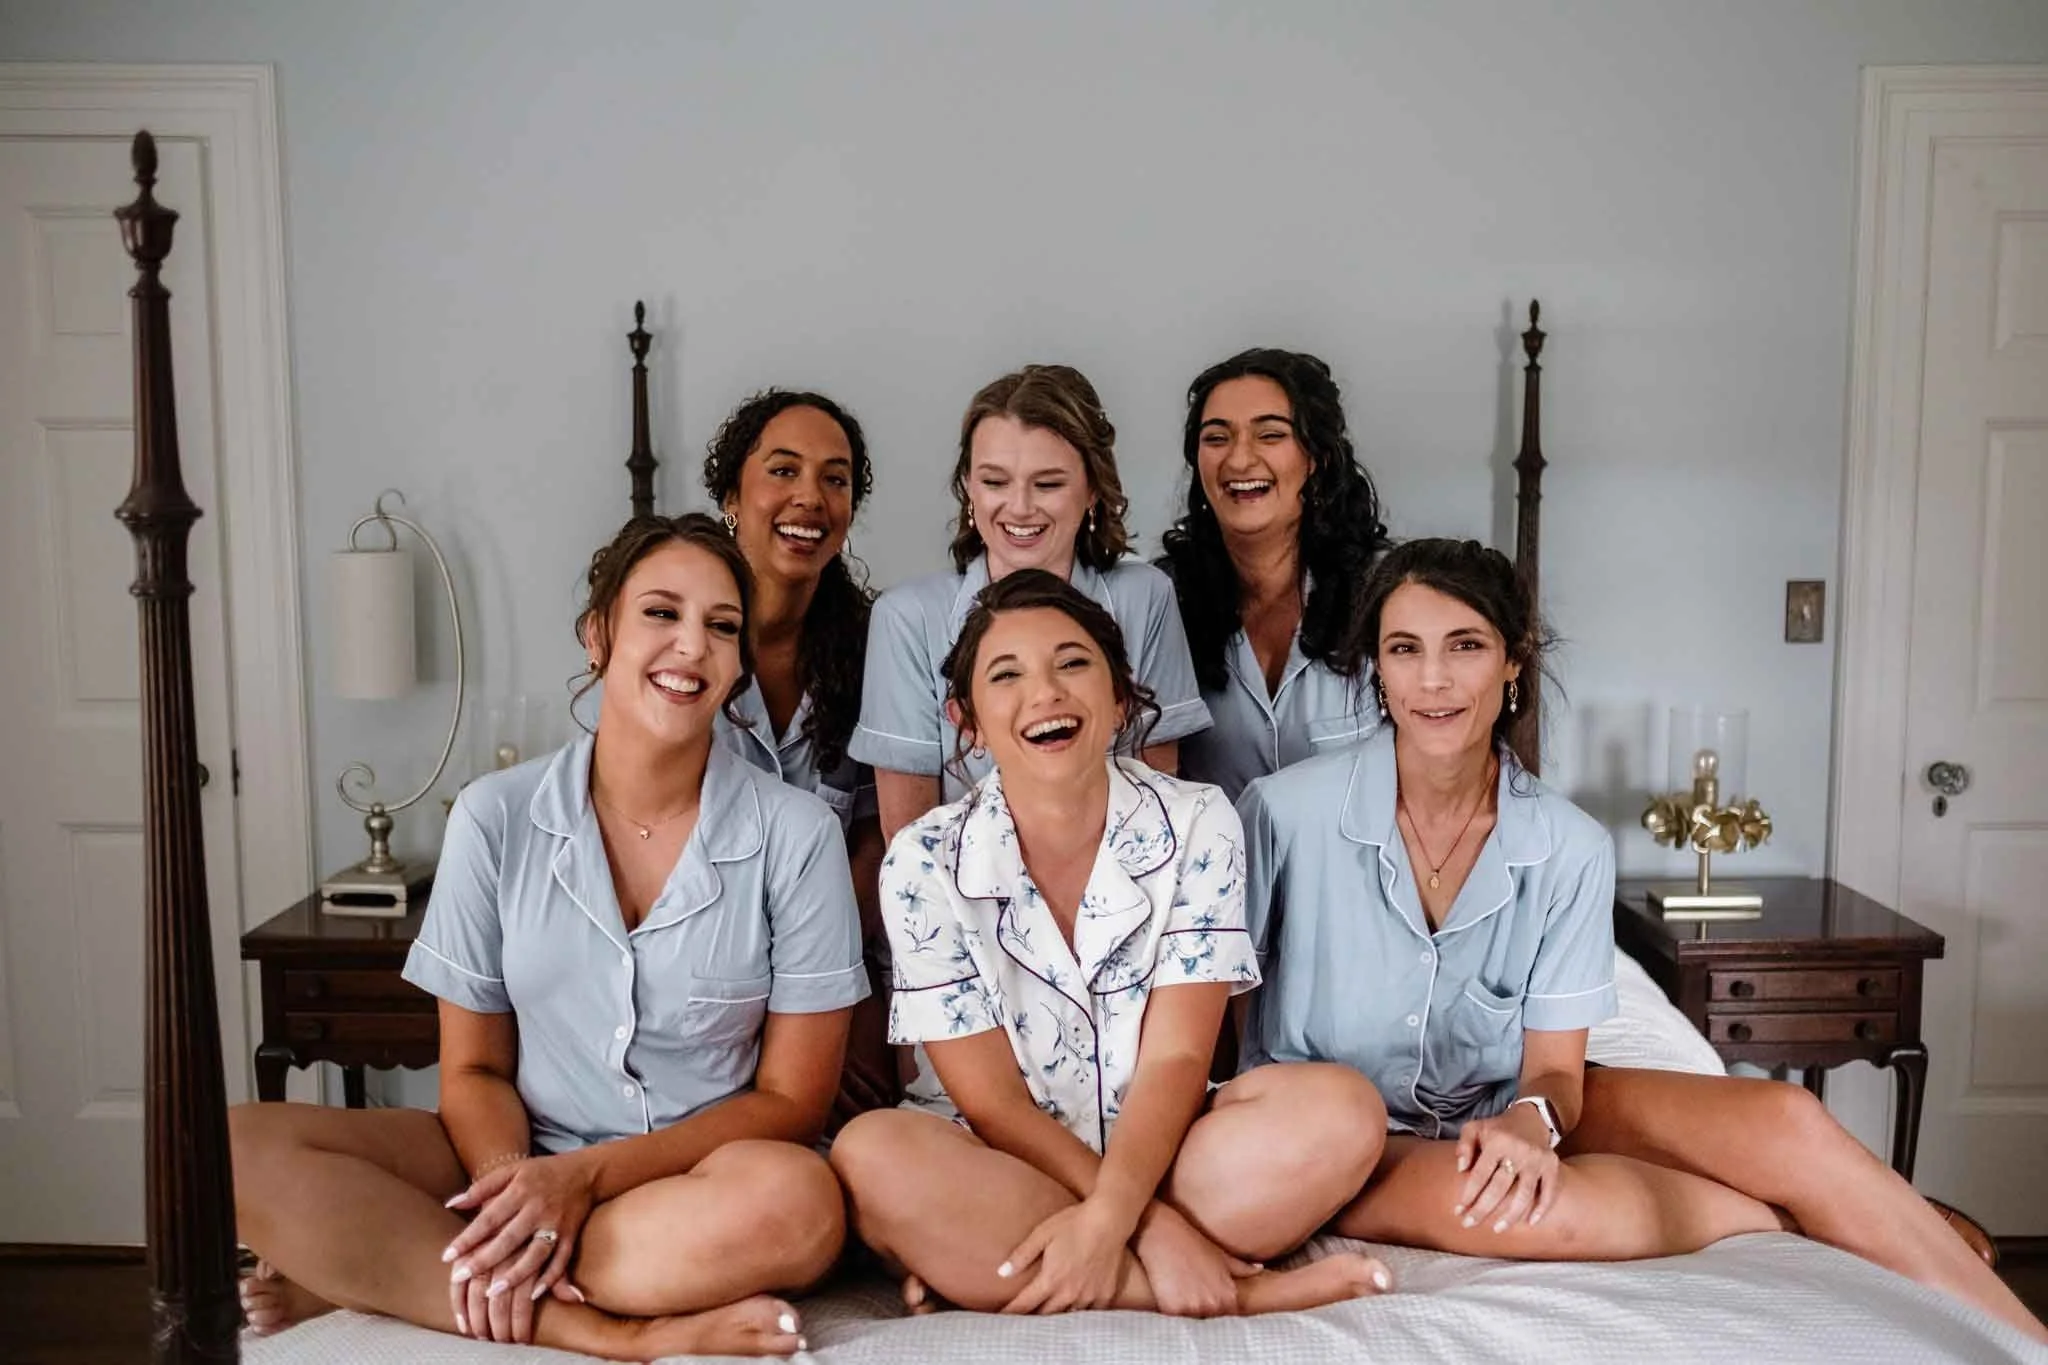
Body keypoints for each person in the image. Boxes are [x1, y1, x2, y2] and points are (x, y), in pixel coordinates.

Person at [1233, 537, 2048, 1344]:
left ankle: (2025, 1336)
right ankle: (1809, 1217)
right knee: (1546, 1211)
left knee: (1787, 1116)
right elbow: (1217, 1012)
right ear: (1377, 666)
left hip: (1493, 1095)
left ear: (1513, 662)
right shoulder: (1284, 814)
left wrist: (1529, 1118)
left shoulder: (1571, 844)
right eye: (1404, 649)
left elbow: (1555, 1068)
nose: (1433, 679)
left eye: (1466, 646)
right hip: (1349, 1140)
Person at [229, 514, 869, 1360]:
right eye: (661, 613)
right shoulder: (495, 818)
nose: (691, 646)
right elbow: (474, 1069)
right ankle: (613, 1331)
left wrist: (584, 1181)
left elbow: (793, 1103)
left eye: (721, 627)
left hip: (698, 1176)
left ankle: (391, 1268)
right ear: (597, 634)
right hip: (515, 1151)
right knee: (231, 1144)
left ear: (739, 662)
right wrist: (516, 1189)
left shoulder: (799, 834)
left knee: (801, 1206)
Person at [830, 570, 1389, 1320]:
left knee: (1344, 1110)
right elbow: (992, 1101)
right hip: (1002, 1156)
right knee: (870, 1156)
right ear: (968, 721)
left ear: (1121, 697)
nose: (1047, 691)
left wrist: (1114, 1207)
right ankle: (1228, 1289)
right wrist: (1148, 1229)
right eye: (1008, 674)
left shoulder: (1200, 820)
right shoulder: (921, 862)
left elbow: (1179, 1057)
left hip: (1166, 1151)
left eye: (1072, 662)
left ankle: (992, 1266)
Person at [852, 364, 1209, 844]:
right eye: (996, 482)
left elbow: (1159, 809)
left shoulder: (1146, 597)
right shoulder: (907, 619)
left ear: (1093, 491)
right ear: (968, 489)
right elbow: (910, 844)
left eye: (1048, 484)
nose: (1019, 508)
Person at [703, 389, 895, 1123]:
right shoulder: (677, 649)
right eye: (783, 471)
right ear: (732, 494)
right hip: (705, 977)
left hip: (846, 964)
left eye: (835, 479)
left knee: (874, 1121)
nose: (810, 497)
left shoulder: (881, 646)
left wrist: (822, 1005)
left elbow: (886, 830)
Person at [1159, 348, 1388, 802]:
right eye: (1217, 438)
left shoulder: (1388, 595)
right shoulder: (1160, 602)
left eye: (1269, 435)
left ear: (1317, 457)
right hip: (1212, 872)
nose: (1240, 461)